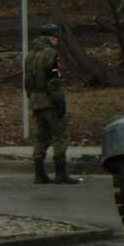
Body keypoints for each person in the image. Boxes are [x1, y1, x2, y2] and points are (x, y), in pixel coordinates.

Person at [22, 22, 80, 184]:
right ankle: (61, 173)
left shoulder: (30, 54)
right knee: (60, 135)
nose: (57, 40)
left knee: (41, 136)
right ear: (52, 38)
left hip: (35, 100)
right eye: (56, 37)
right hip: (49, 101)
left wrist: (31, 97)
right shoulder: (51, 54)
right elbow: (53, 81)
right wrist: (60, 101)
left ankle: (39, 173)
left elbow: (27, 80)